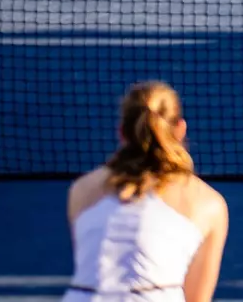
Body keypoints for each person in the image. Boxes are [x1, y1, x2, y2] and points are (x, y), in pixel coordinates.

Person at [63, 82, 228, 302]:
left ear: (122, 132)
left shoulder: (81, 190)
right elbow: (197, 299)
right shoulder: (210, 204)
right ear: (180, 129)